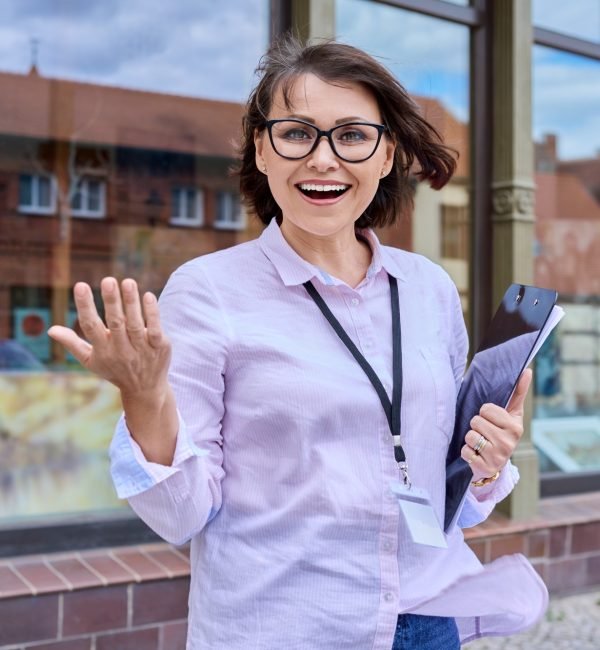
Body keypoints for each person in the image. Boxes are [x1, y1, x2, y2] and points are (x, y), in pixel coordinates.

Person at [48, 37, 547, 650]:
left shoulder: (430, 289)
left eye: (352, 135)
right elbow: (182, 517)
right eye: (297, 133)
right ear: (262, 148)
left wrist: (484, 464)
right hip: (283, 627)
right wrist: (146, 396)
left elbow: (449, 496)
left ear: (387, 154)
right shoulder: (208, 292)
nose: (323, 158)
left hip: (424, 621)